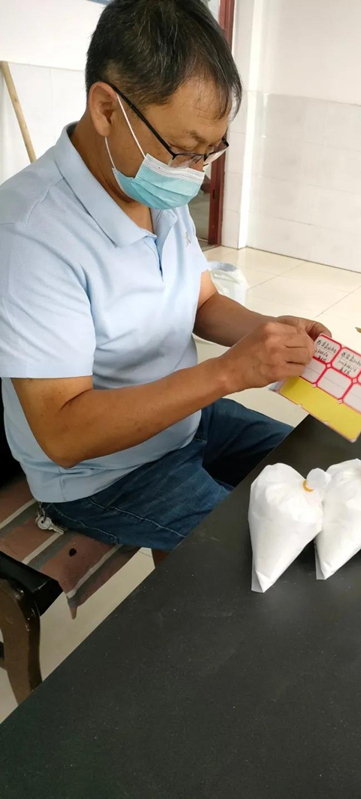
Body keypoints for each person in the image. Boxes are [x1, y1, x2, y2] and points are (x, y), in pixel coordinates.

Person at [0, 0, 329, 555]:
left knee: (324, 477)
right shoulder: (29, 235)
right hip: (104, 474)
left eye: (209, 152)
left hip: (187, 419)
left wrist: (270, 332)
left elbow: (202, 303)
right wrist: (229, 372)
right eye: (184, 150)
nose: (195, 174)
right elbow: (63, 435)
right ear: (107, 109)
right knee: (273, 554)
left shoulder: (150, 184)